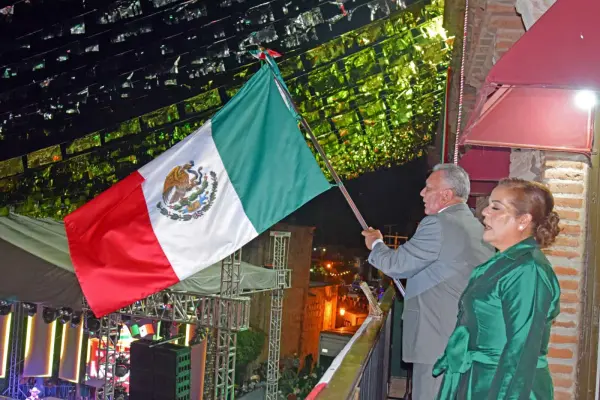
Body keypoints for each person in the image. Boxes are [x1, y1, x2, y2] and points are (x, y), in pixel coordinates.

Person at [362, 164, 494, 399]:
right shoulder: (476, 226)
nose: (422, 193)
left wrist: (376, 243)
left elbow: (397, 264)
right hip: (461, 339)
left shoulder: (438, 224)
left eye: (429, 188)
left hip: (436, 343)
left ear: (446, 195)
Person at [433, 178, 561, 399]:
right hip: (481, 380)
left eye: (496, 207)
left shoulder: (527, 270)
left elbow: (522, 352)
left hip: (502, 386)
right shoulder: (504, 264)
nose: (484, 212)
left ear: (523, 220)